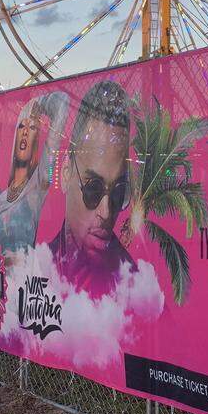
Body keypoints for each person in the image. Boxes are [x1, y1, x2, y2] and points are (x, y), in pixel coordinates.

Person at [50, 80, 135, 298]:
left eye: (118, 193)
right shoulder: (34, 266)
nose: (106, 212)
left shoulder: (135, 289)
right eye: (93, 190)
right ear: (66, 172)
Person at [0, 92, 69, 251]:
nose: (25, 131)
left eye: (33, 127)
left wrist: (38, 103)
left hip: (25, 273)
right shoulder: (1, 199)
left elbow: (62, 102)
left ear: (37, 138)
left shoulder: (38, 184)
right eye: (21, 126)